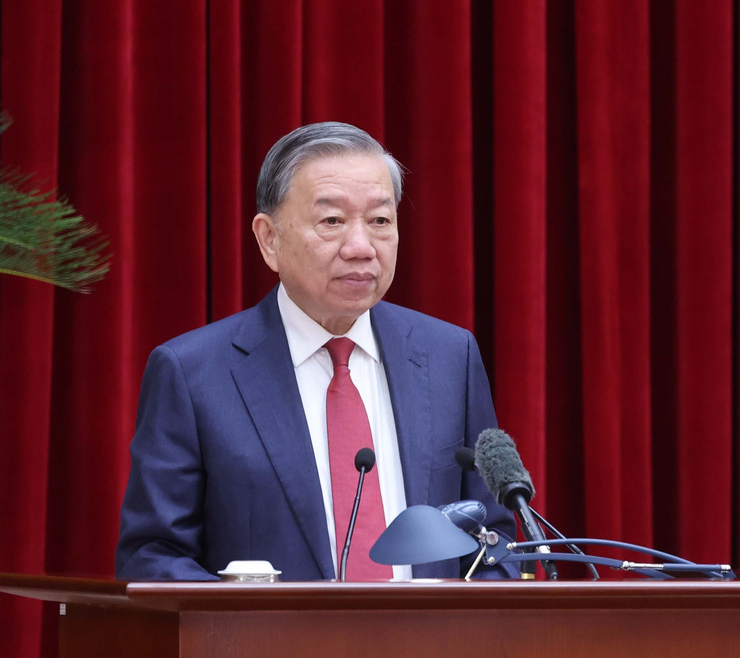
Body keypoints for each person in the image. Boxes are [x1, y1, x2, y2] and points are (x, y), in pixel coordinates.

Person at [115, 122, 515, 581]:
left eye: (380, 220)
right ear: (270, 239)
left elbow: (494, 543)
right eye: (332, 222)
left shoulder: (450, 357)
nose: (362, 247)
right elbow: (153, 556)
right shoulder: (193, 374)